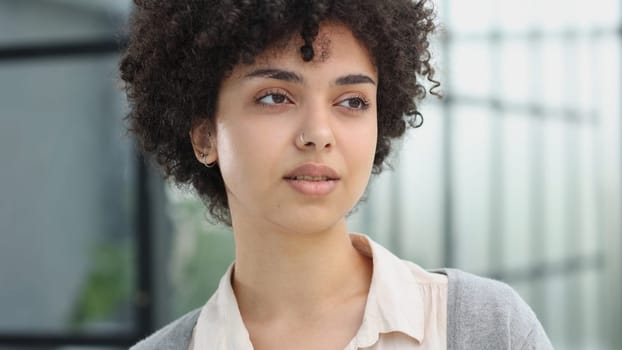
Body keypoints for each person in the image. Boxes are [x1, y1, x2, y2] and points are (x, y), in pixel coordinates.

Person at [120, 0, 553, 349]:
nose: (318, 134)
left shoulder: (488, 329)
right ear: (204, 136)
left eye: (352, 102)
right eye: (275, 97)